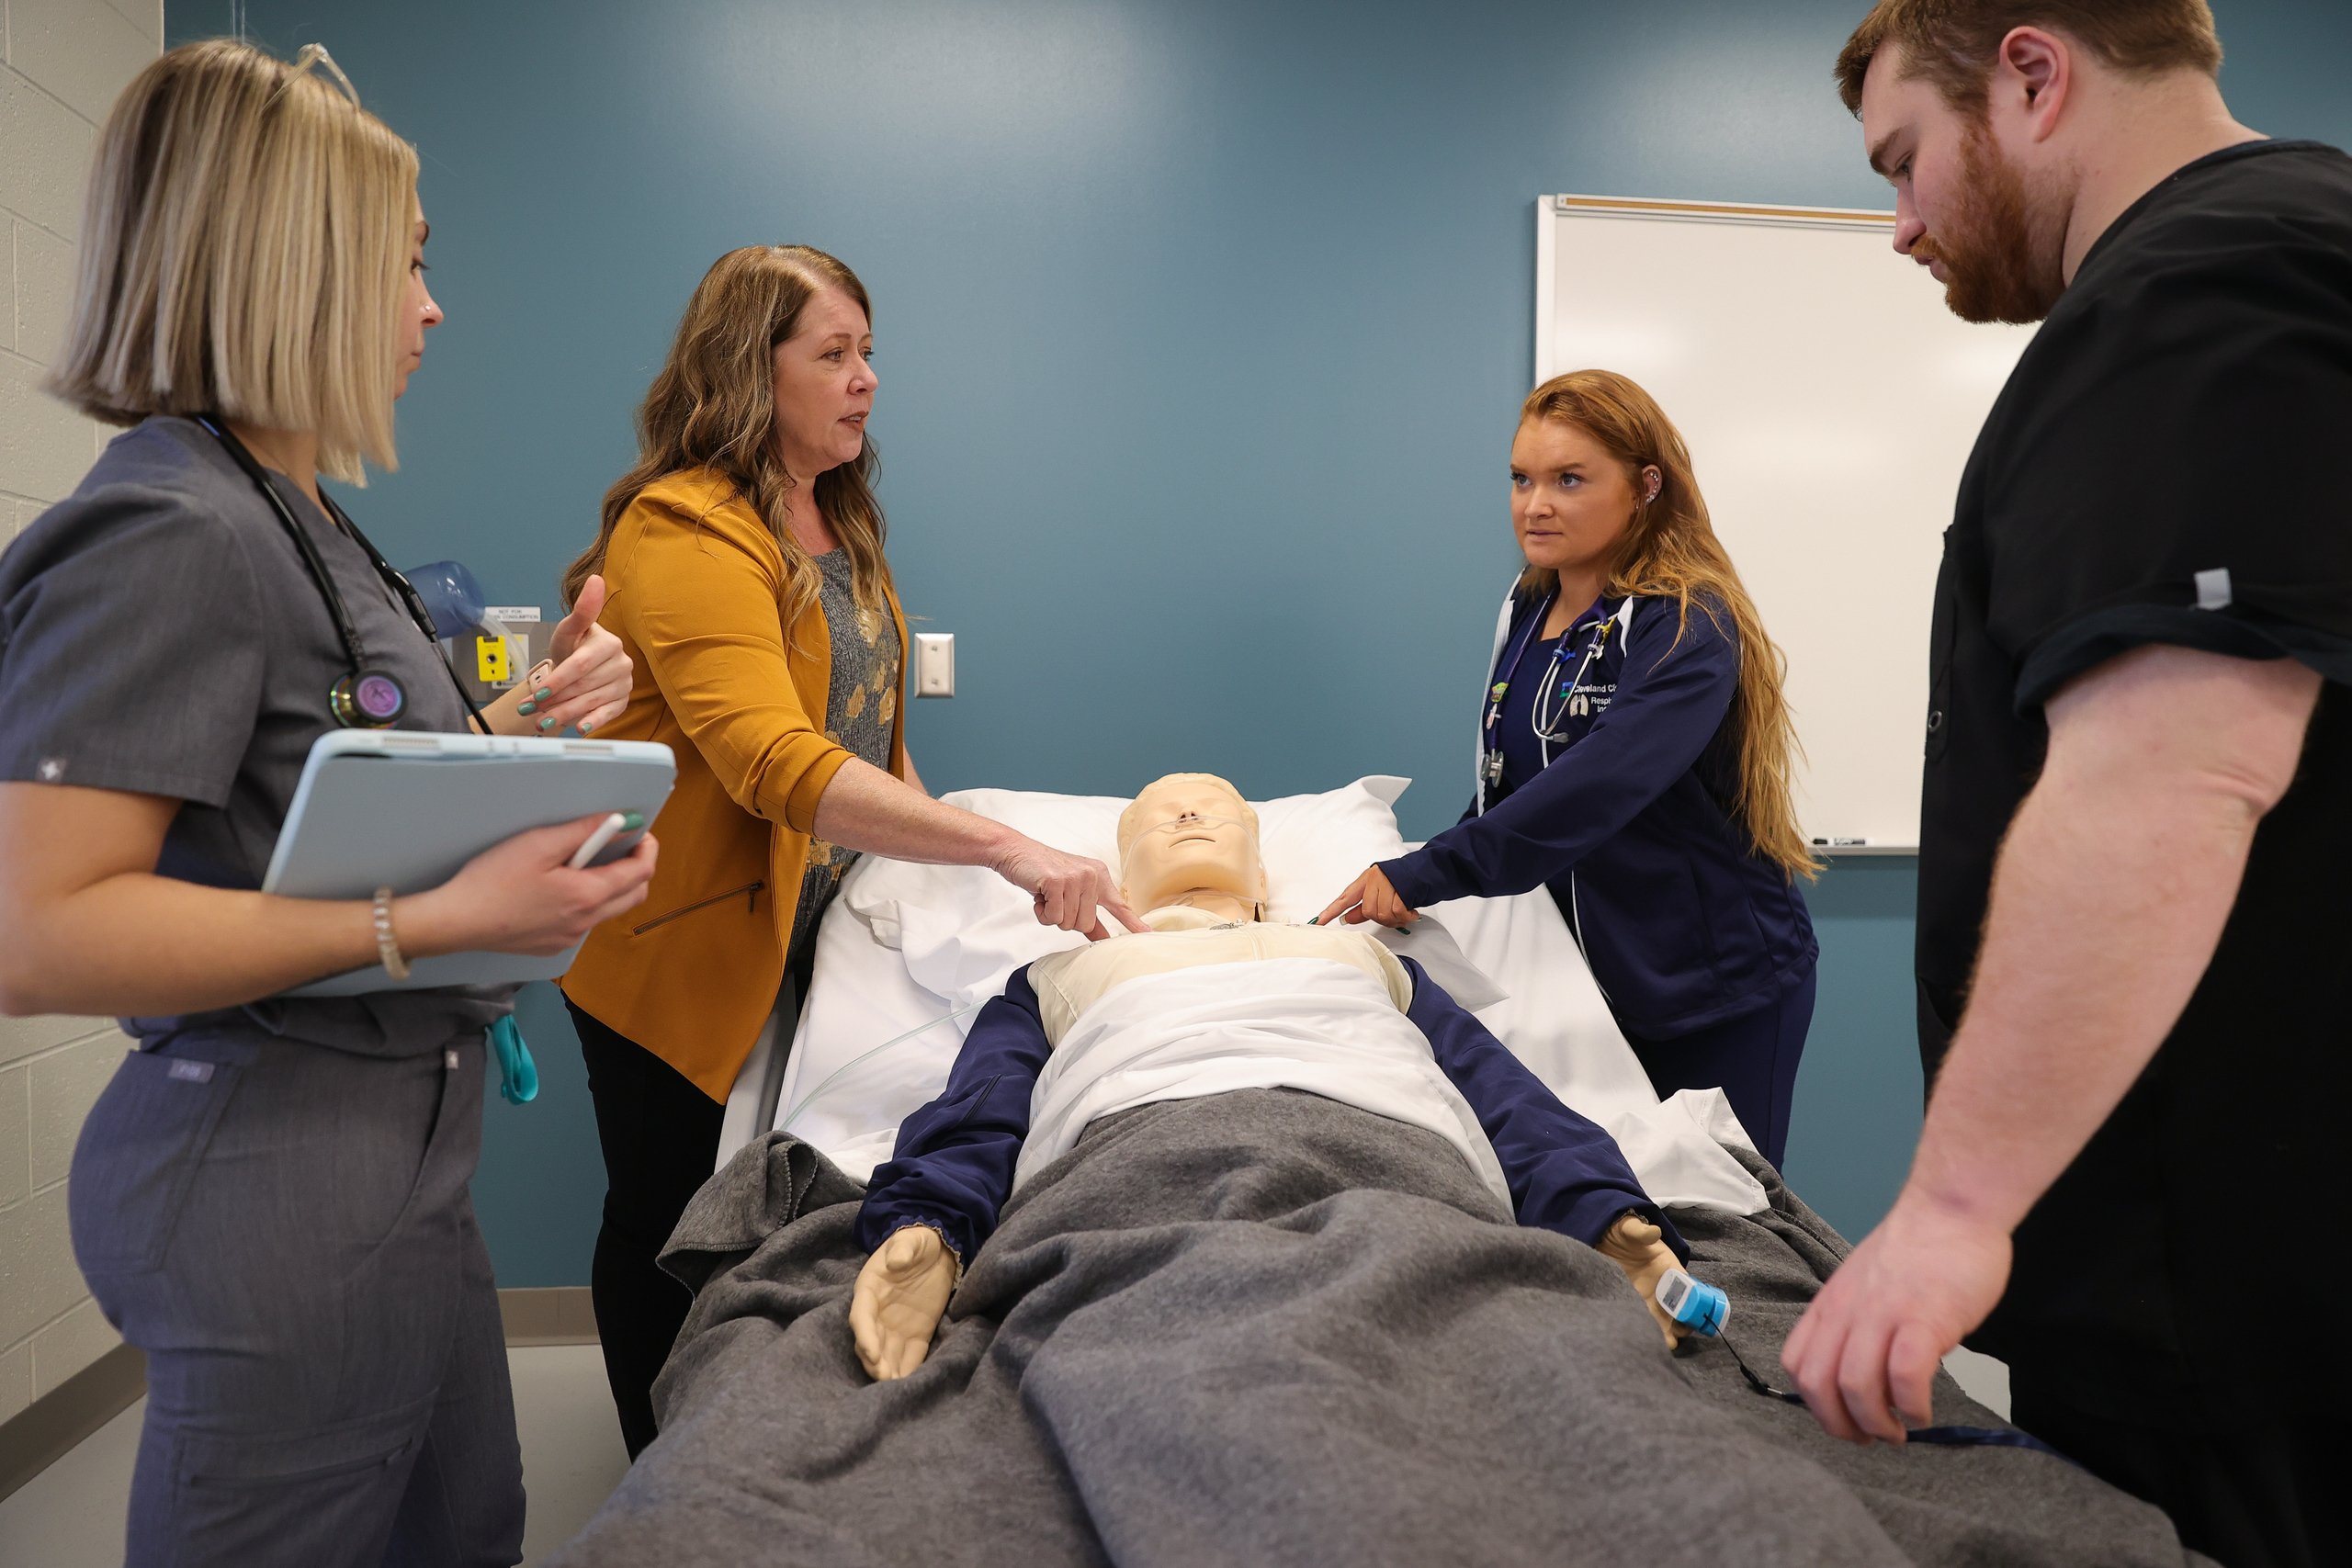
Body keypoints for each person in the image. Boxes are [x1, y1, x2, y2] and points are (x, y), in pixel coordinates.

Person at [0, 40, 654, 1568]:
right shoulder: (168, 532)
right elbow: (40, 931)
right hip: (269, 1174)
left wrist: (522, 718)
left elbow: (306, 788)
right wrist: (437, 916)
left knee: (465, 1527)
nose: (432, 308)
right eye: (404, 265)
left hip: (397, 1163)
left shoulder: (295, 514)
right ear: (286, 272)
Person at [1782, 6, 2349, 1564]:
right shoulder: (2289, 255)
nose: (1898, 224)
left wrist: (1955, 1210)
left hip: (2232, 1308)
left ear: (2031, 76)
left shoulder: (2203, 290)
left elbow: (2179, 760)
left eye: (1906, 162)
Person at [556, 245, 1146, 1458]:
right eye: (833, 354)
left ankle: (749, 1431)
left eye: (867, 352)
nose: (866, 379)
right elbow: (775, 761)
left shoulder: (842, 519)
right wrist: (1006, 847)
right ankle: (663, 1473)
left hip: (811, 931)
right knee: (667, 1216)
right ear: (746, 369)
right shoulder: (680, 526)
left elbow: (871, 736)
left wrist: (953, 892)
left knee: (777, 1213)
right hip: (680, 939)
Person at [851, 771, 1704, 1382]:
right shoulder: (1055, 976)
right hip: (1141, 1163)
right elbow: (978, 1113)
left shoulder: (1365, 956)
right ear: (1116, 874)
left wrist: (1602, 1214)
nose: (1185, 809)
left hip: (1386, 1161)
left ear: (1264, 872)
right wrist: (929, 1226)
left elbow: (1507, 1099)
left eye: (1216, 809)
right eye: (1155, 817)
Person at [1318, 370, 1819, 1169]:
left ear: (1644, 488)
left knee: (1723, 1221)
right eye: (1522, 478)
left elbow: (1600, 784)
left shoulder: (1686, 621)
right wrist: (1419, 891)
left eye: (1569, 480)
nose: (1534, 504)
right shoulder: (1525, 609)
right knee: (1605, 1219)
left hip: (1713, 988)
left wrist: (1428, 871)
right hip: (1584, 986)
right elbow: (1507, 793)